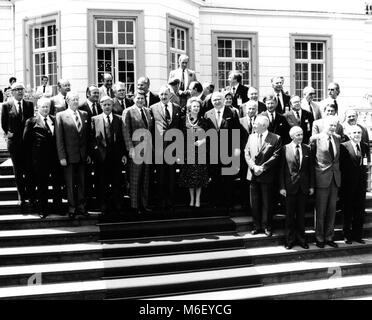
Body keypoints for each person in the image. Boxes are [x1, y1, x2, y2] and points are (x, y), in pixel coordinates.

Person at [23, 97, 63, 218]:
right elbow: (26, 143)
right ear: (38, 108)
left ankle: (58, 207)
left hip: (55, 159)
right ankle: (43, 209)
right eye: (43, 107)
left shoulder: (55, 119)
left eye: (47, 107)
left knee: (57, 184)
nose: (46, 109)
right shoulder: (31, 122)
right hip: (40, 160)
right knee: (42, 185)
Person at [55, 92, 91, 218]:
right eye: (73, 99)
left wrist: (87, 154)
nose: (75, 101)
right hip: (68, 156)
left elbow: (87, 137)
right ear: (67, 101)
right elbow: (59, 139)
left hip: (82, 155)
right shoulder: (61, 116)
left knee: (82, 182)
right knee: (70, 183)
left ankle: (81, 206)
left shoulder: (85, 114)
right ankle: (72, 207)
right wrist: (62, 156)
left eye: (77, 99)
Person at [245, 115, 282, 236]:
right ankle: (256, 226)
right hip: (253, 174)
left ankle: (267, 226)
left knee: (267, 202)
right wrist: (253, 167)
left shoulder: (276, 138)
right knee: (254, 202)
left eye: (256, 123)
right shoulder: (251, 136)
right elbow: (247, 153)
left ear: (264, 125)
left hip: (267, 175)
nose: (254, 125)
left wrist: (263, 167)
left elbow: (276, 156)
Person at [204, 92, 240, 212]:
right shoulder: (207, 114)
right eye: (214, 100)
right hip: (213, 151)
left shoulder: (232, 113)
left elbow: (236, 132)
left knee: (228, 178)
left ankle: (228, 203)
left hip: (228, 151)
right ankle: (216, 202)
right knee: (215, 177)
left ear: (224, 100)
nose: (217, 102)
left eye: (219, 99)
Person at [1, 82, 35, 209]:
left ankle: (31, 197)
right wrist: (8, 133)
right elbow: (4, 123)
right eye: (17, 89)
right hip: (14, 144)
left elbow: (31, 121)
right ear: (12, 92)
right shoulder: (6, 106)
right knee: (18, 172)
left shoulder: (29, 105)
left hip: (27, 144)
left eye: (22, 89)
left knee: (29, 171)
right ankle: (22, 197)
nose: (20, 91)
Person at [279, 126, 314, 249]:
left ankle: (301, 239)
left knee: (301, 216)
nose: (300, 137)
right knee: (289, 216)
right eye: (298, 135)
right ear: (292, 136)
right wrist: (282, 187)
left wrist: (311, 186)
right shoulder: (285, 149)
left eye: (302, 134)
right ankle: (289, 240)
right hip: (289, 188)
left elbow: (310, 169)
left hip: (303, 188)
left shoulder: (307, 149)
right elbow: (281, 170)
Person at [91, 96, 126, 215]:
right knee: (102, 182)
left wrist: (123, 155)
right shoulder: (94, 119)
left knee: (117, 181)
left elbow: (122, 139)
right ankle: (103, 205)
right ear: (101, 106)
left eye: (109, 105)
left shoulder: (119, 119)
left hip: (116, 156)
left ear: (112, 106)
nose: (107, 107)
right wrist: (95, 152)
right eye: (104, 105)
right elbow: (91, 139)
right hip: (101, 157)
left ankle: (117, 205)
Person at [310, 116, 341, 248]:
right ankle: (319, 238)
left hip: (334, 178)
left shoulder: (337, 138)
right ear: (324, 126)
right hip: (321, 177)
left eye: (334, 125)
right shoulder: (315, 139)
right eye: (330, 125)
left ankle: (329, 237)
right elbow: (311, 160)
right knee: (321, 210)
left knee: (332, 209)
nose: (332, 128)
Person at [150, 86, 182, 213]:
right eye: (161, 94)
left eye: (166, 94)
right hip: (159, 148)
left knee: (172, 176)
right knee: (161, 176)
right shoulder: (152, 108)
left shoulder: (177, 108)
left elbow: (179, 128)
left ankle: (171, 202)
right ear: (159, 96)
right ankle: (161, 202)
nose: (164, 96)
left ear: (170, 95)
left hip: (173, 148)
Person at [122, 91, 153, 214]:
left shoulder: (147, 111)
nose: (140, 100)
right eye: (138, 98)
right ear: (134, 99)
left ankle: (143, 205)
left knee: (145, 179)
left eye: (142, 98)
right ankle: (134, 206)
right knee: (135, 179)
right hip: (136, 149)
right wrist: (130, 148)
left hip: (147, 150)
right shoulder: (128, 111)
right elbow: (126, 131)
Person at [340, 125, 370, 244]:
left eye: (359, 132)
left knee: (359, 211)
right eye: (354, 133)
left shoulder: (365, 146)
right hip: (348, 185)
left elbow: (366, 164)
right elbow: (341, 167)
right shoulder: (343, 146)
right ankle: (347, 235)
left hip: (361, 184)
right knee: (348, 210)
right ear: (349, 134)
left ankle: (358, 236)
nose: (357, 134)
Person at [178, 97, 209, 208]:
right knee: (190, 177)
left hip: (200, 152)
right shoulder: (183, 120)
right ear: (190, 107)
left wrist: (202, 141)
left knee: (199, 177)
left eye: (198, 106)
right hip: (188, 152)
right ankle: (191, 199)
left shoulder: (203, 120)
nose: (196, 108)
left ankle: (198, 199)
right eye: (194, 106)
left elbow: (208, 136)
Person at [239, 100, 258, 211]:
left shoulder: (260, 121)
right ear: (246, 109)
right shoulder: (240, 121)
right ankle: (244, 204)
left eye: (253, 109)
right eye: (249, 108)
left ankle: (254, 204)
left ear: (256, 110)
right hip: (243, 156)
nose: (251, 111)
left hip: (256, 156)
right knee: (243, 180)